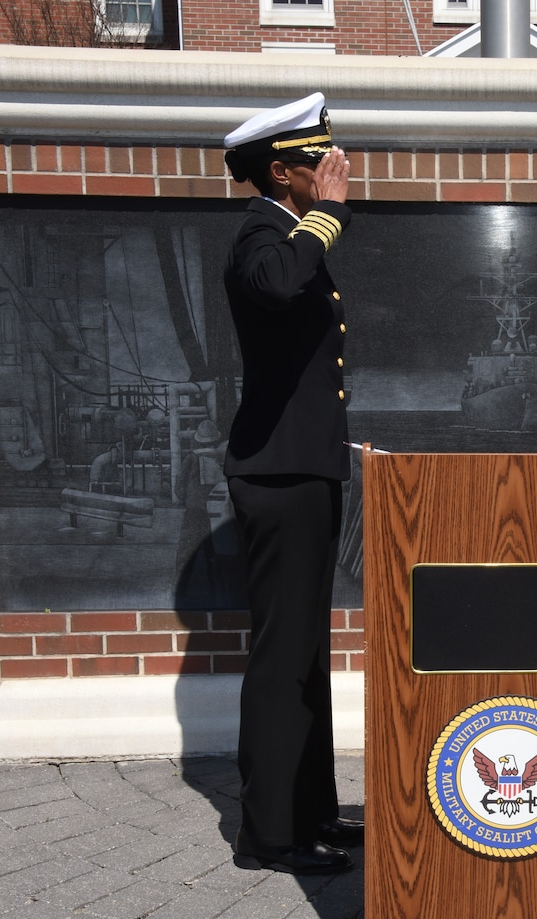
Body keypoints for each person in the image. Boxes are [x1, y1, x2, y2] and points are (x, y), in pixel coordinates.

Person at [221, 92, 362, 874]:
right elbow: (276, 285)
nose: (334, 170)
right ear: (282, 171)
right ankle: (267, 833)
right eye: (319, 161)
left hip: (305, 463)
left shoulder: (289, 232)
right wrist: (328, 215)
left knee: (310, 653)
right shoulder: (261, 234)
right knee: (282, 656)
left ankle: (312, 813)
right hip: (277, 474)